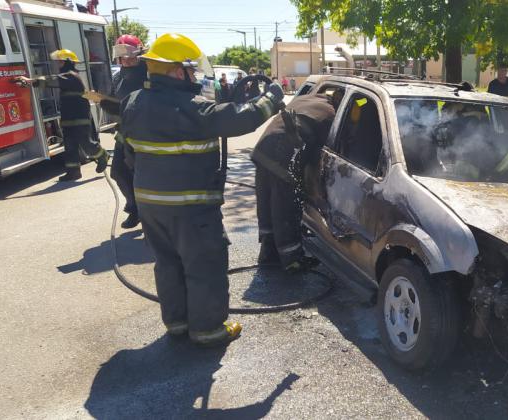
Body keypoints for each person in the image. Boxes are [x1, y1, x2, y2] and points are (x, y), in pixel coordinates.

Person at [119, 33, 285, 346]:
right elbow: (241, 119)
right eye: (190, 70)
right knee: (204, 265)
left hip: (151, 208)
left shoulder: (132, 104)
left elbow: (127, 155)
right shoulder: (191, 108)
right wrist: (271, 98)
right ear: (175, 70)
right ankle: (209, 331)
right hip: (191, 208)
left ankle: (178, 323)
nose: (193, 76)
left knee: (168, 264)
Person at [251, 94, 336, 272]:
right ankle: (292, 260)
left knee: (266, 201)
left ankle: (268, 253)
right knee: (286, 206)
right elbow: (316, 157)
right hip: (284, 151)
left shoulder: (307, 97)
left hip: (263, 148)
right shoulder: (330, 115)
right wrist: (312, 189)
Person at [17, 49, 108, 181]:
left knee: (85, 142)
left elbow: (52, 80)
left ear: (68, 62)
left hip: (79, 117)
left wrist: (31, 80)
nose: (58, 64)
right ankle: (73, 172)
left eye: (60, 61)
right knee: (70, 146)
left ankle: (102, 155)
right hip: (69, 118)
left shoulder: (71, 76)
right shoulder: (68, 75)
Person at [99, 34, 147, 229]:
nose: (125, 59)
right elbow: (114, 102)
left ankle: (151, 216)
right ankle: (134, 208)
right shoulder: (118, 76)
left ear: (139, 54)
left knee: (144, 176)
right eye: (121, 56)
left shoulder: (149, 72)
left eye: (129, 55)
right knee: (118, 171)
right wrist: (104, 102)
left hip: (145, 133)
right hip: (124, 132)